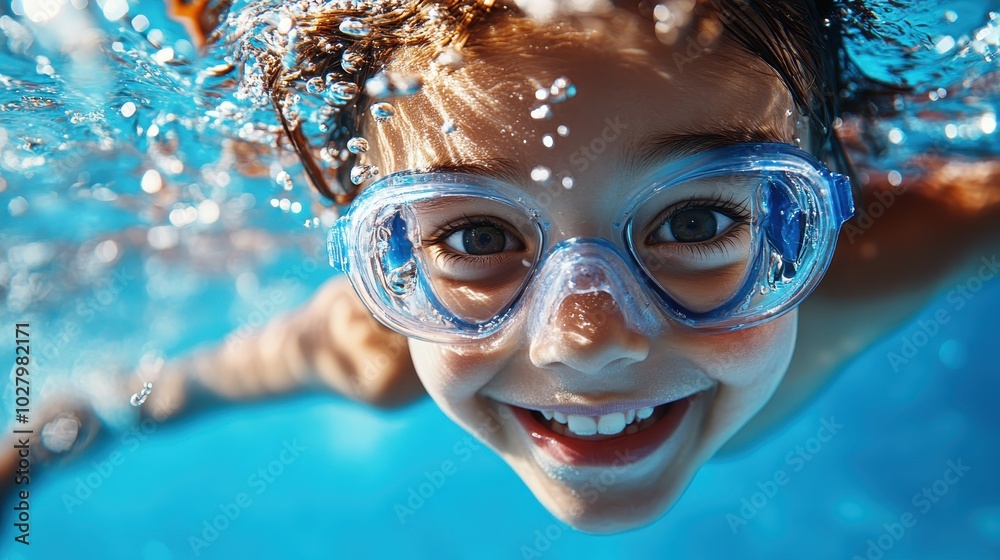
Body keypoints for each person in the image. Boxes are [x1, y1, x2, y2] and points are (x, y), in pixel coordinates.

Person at [5, 0, 999, 534]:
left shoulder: (893, 253)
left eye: (696, 218)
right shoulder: (375, 347)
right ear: (387, 257)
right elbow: (159, 390)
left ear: (818, 207)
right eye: (477, 238)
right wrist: (34, 438)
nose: (587, 343)